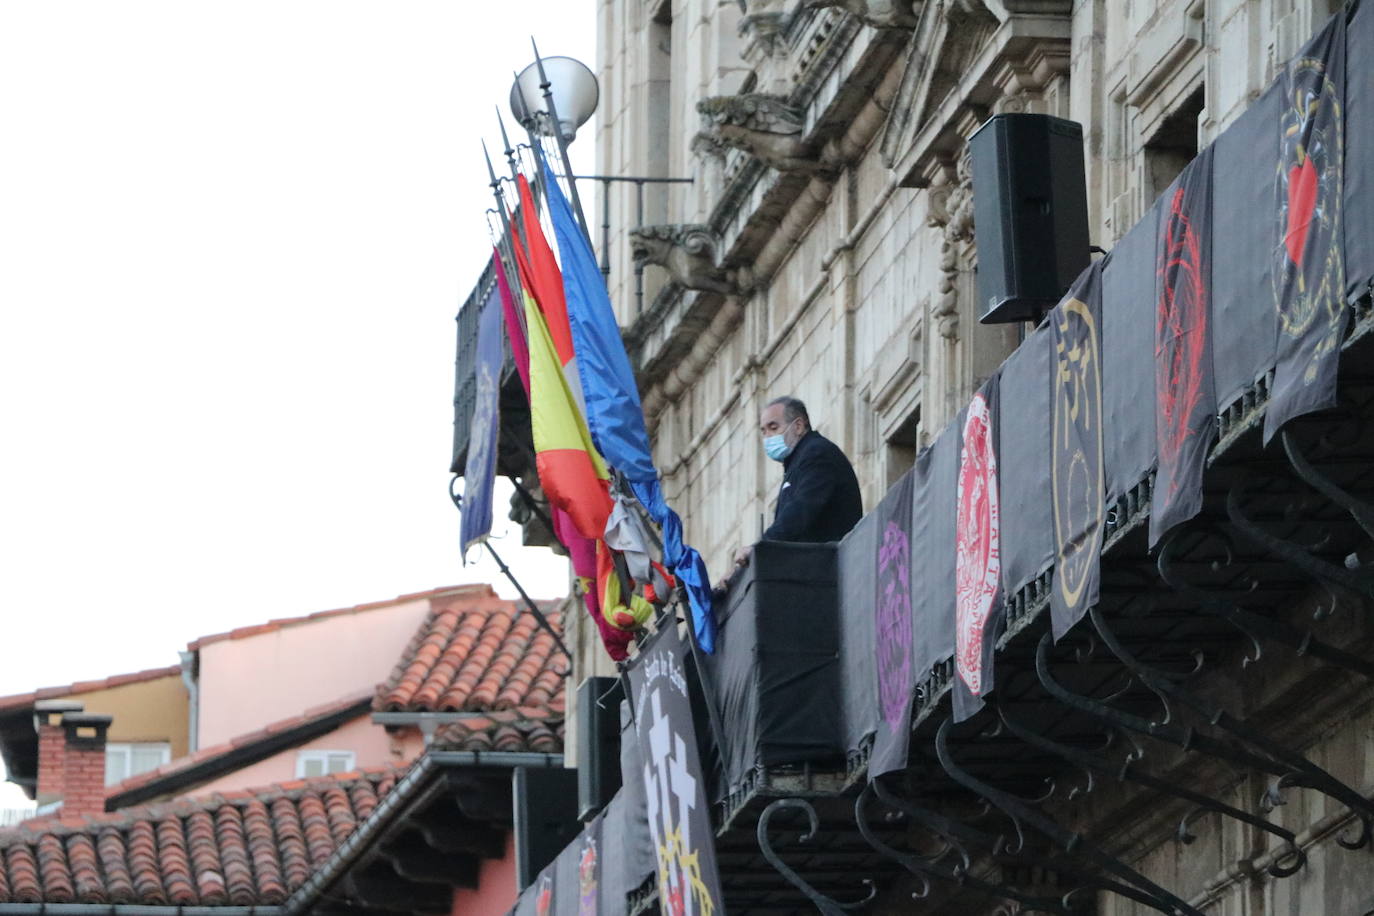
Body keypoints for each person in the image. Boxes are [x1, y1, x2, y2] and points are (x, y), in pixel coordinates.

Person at [732, 396, 862, 570]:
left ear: (798, 426)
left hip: (830, 571)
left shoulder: (817, 453)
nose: (768, 437)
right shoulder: (798, 462)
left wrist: (761, 548)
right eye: (763, 431)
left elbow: (800, 511)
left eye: (773, 427)